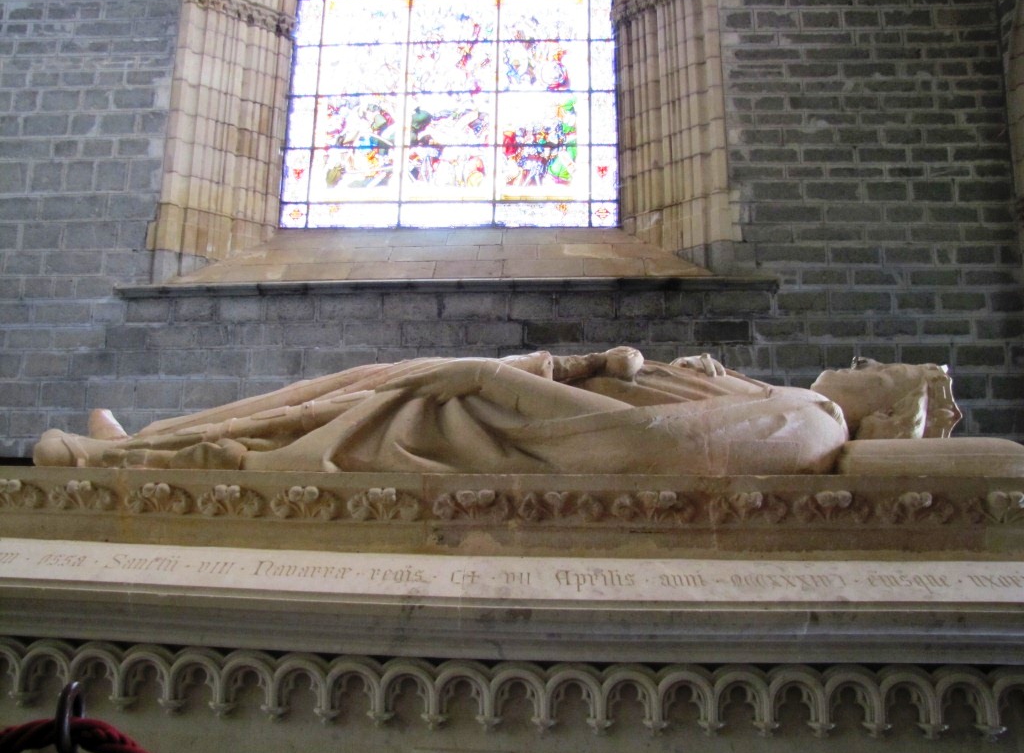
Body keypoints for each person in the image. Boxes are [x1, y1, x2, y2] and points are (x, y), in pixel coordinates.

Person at [32, 349, 957, 476]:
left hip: (512, 434)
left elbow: (641, 441)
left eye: (880, 371)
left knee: (363, 404)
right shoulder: (791, 401)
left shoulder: (813, 420)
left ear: (888, 412)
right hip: (523, 406)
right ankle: (149, 443)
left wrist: (500, 380)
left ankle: (123, 461)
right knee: (366, 378)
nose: (862, 365)